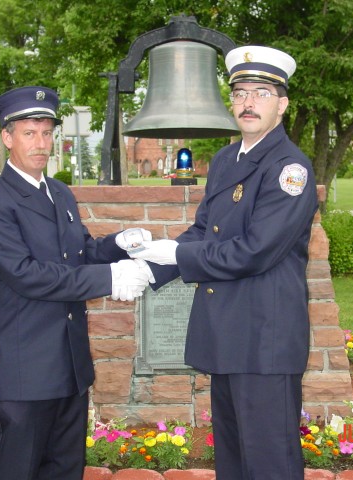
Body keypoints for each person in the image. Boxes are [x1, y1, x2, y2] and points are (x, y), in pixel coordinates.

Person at [118, 46, 318, 479]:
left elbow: (255, 250)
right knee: (232, 456)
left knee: (268, 461)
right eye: (241, 92)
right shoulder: (229, 160)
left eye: (261, 93)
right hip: (228, 332)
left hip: (265, 339)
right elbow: (204, 231)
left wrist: (179, 255)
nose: (248, 102)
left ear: (282, 105)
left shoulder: (290, 170)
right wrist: (151, 263)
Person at [0, 85, 152, 480]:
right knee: (19, 470)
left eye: (47, 132)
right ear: (7, 138)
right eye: (29, 133)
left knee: (66, 470)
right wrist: (109, 278)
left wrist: (118, 246)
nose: (41, 143)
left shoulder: (58, 192)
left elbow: (79, 251)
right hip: (28, 368)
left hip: (69, 366)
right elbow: (26, 275)